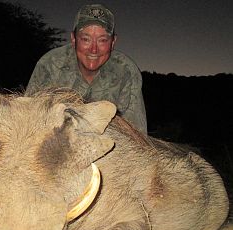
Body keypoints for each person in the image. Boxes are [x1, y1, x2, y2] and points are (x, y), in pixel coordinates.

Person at [25, 4, 147, 134]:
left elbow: (137, 133)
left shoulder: (126, 71)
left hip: (109, 145)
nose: (93, 49)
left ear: (113, 42)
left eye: (102, 40)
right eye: (85, 39)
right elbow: (27, 118)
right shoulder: (49, 64)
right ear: (73, 39)